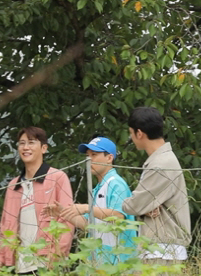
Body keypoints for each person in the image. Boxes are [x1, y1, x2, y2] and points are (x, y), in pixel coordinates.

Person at [0, 125, 74, 272]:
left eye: (31, 142)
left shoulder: (57, 178)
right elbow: (5, 227)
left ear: (44, 148)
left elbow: (67, 220)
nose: (25, 147)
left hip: (47, 263)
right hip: (19, 266)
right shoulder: (13, 186)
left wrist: (57, 258)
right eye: (22, 143)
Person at [48, 135, 138, 265]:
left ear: (109, 158)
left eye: (94, 155)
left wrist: (86, 208)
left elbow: (118, 216)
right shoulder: (97, 188)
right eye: (87, 155)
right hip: (101, 260)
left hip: (119, 262)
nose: (88, 159)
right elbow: (87, 223)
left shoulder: (116, 183)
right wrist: (63, 213)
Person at [122, 106, 191, 261]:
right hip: (162, 249)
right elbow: (142, 204)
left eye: (131, 133)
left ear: (139, 133)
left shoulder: (160, 165)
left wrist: (140, 207)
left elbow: (133, 206)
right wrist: (146, 206)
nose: (131, 138)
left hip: (162, 250)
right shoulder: (163, 160)